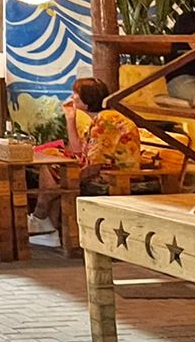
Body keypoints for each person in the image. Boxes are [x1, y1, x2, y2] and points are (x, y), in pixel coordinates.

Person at [29, 77, 144, 235]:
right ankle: (45, 224)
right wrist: (70, 118)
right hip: (102, 170)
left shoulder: (108, 120)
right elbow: (78, 151)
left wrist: (70, 183)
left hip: (113, 175)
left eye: (76, 93)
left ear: (87, 98)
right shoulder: (99, 119)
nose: (73, 97)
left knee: (56, 171)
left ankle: (43, 222)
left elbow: (95, 163)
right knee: (50, 161)